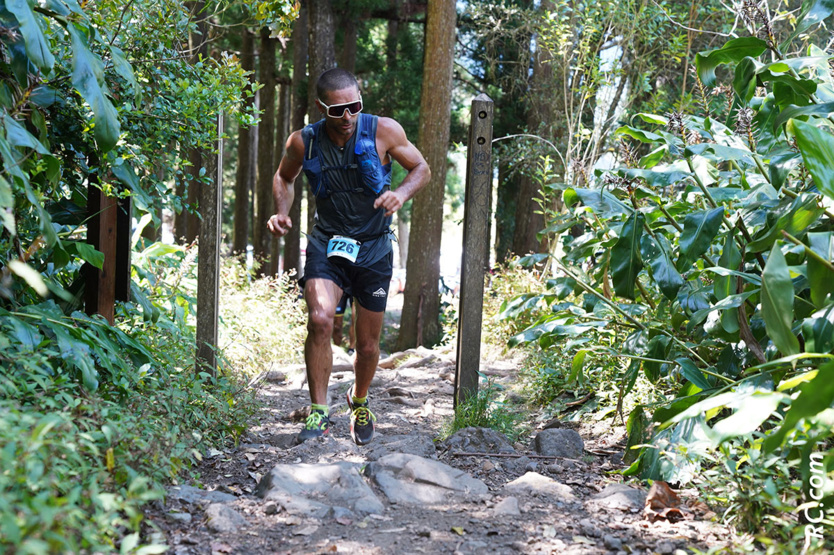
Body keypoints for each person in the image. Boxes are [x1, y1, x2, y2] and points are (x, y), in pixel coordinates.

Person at [267, 68, 430, 445]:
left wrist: (401, 195)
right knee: (320, 319)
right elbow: (284, 177)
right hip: (328, 243)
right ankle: (319, 411)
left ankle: (359, 401)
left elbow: (421, 168)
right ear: (321, 108)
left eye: (354, 107)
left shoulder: (384, 131)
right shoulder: (303, 142)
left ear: (361, 100)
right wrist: (282, 211)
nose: (347, 118)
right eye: (337, 110)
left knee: (368, 344)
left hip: (373, 247)